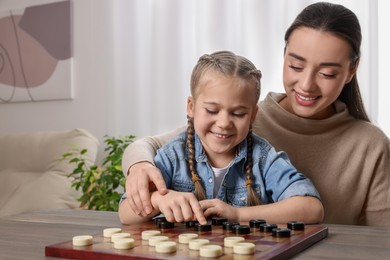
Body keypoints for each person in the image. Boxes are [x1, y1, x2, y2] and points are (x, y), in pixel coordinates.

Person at [122, 2, 390, 226]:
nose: (307, 84)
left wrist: (239, 215)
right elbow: (149, 146)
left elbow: (380, 239)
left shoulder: (370, 145)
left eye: (327, 73)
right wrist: (143, 172)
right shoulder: (238, 121)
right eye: (296, 66)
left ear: (351, 70)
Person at [118, 51, 324, 225]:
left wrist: (238, 214)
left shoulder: (264, 158)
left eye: (238, 114)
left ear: (253, 115)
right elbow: (126, 213)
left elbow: (311, 208)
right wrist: (156, 200)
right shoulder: (173, 154)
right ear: (191, 107)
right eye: (212, 110)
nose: (224, 122)